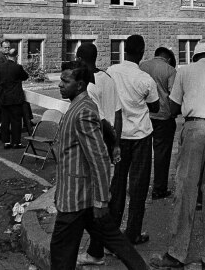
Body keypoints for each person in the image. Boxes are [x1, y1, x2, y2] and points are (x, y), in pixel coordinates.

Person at [49, 65, 148, 270]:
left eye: (65, 81)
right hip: (81, 196)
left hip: (75, 198)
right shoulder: (79, 105)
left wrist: (101, 200)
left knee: (61, 251)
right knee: (114, 240)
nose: (60, 84)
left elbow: (99, 158)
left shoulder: (83, 110)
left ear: (80, 85)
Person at [150, 40, 205, 270]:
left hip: (194, 128)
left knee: (186, 190)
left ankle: (177, 254)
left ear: (195, 56)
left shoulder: (184, 71)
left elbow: (174, 107)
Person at [84, 35, 159, 264]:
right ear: (143, 52)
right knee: (138, 186)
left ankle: (110, 236)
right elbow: (155, 105)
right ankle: (133, 232)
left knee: (116, 185)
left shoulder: (110, 72)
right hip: (140, 135)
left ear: (124, 50)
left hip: (116, 135)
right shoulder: (144, 78)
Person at [138, 46, 177, 200]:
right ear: (168, 59)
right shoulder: (169, 70)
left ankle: (139, 187)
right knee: (162, 154)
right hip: (163, 117)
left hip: (144, 115)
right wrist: (174, 113)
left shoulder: (143, 66)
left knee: (142, 154)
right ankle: (159, 189)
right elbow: (173, 95)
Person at [76, 42, 122, 163]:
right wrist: (116, 145)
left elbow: (101, 120)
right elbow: (118, 114)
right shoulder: (108, 78)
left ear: (80, 59)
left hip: (98, 140)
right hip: (110, 138)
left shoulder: (88, 85)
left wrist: (111, 141)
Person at [0, 39, 29, 149]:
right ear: (16, 56)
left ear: (8, 56)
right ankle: (16, 142)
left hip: (3, 97)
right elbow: (25, 77)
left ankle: (6, 142)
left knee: (5, 120)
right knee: (16, 120)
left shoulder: (0, 67)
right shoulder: (17, 67)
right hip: (15, 97)